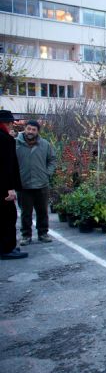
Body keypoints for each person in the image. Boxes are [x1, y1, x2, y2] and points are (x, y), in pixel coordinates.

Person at [16, 120, 56, 246]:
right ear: (25, 129)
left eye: (34, 130)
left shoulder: (45, 144)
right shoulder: (16, 144)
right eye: (29, 129)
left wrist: (47, 173)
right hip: (23, 184)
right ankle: (26, 235)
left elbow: (52, 160)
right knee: (25, 212)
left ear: (37, 131)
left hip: (41, 184)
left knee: (42, 211)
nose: (31, 132)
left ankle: (43, 233)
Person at [0, 110, 27, 260]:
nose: (12, 125)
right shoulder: (5, 139)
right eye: (11, 122)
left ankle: (6, 246)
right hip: (4, 188)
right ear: (7, 123)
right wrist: (9, 188)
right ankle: (6, 248)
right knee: (8, 217)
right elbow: (6, 167)